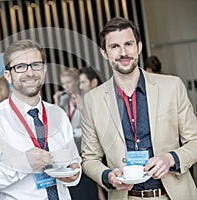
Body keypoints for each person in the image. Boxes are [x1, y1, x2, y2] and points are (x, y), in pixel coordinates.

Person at [81, 17, 197, 200]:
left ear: (139, 46)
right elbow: (89, 159)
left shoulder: (172, 86)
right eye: (114, 47)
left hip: (174, 195)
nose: (123, 53)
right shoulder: (91, 100)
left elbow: (195, 141)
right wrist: (108, 176)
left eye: (128, 44)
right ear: (104, 52)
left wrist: (171, 158)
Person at [0, 39, 81, 200]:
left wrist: (74, 172)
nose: (30, 73)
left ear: (44, 69)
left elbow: (73, 159)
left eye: (36, 64)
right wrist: (22, 163)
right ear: (8, 75)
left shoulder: (58, 114)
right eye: (20, 67)